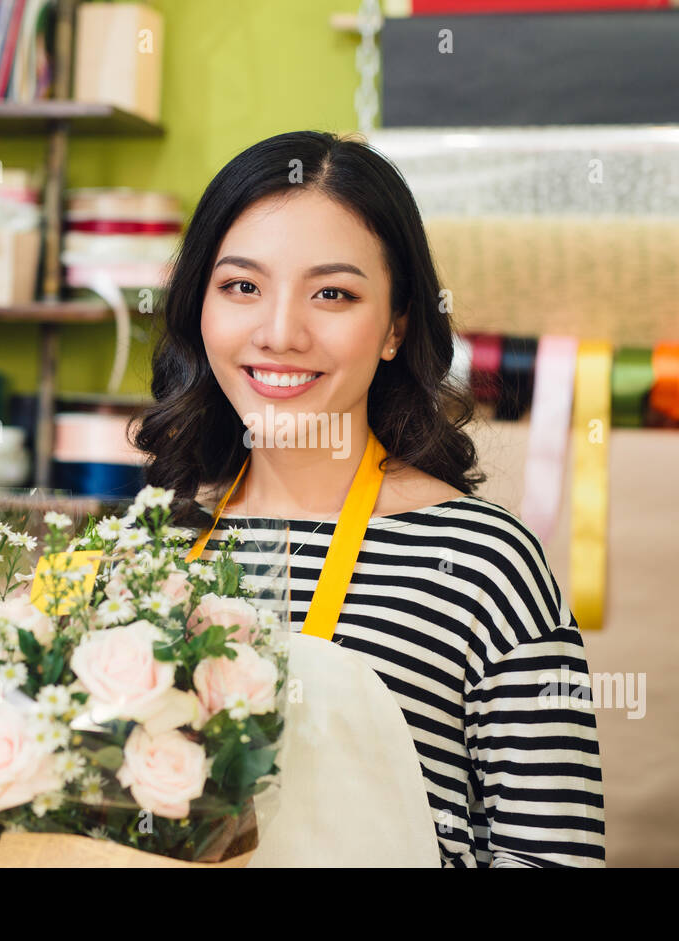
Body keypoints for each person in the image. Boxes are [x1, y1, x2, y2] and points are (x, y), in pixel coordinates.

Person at [136, 130, 605, 867]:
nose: (281, 332)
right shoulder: (151, 547)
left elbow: (556, 857)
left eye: (332, 293)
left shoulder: (484, 564)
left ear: (395, 327)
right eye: (241, 286)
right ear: (200, 306)